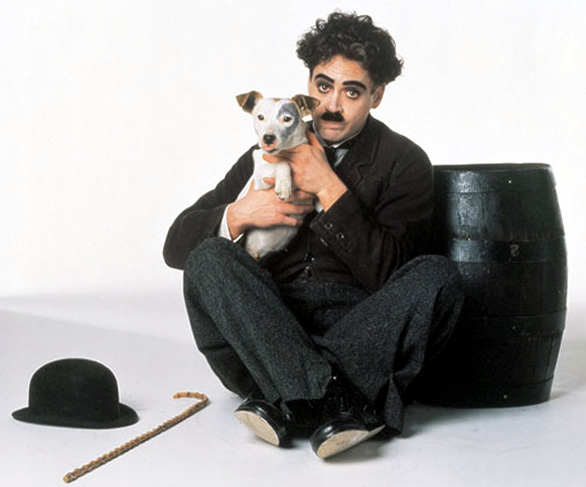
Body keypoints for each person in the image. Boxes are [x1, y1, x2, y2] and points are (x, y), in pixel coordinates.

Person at [163, 11, 463, 459]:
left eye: (352, 92)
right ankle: (338, 397)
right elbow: (175, 247)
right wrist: (241, 213)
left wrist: (328, 186)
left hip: (359, 330)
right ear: (307, 84)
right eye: (323, 87)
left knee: (438, 276)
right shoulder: (267, 147)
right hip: (267, 328)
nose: (331, 105)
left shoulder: (404, 161)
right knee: (208, 257)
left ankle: (291, 398)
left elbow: (393, 274)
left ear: (377, 95)